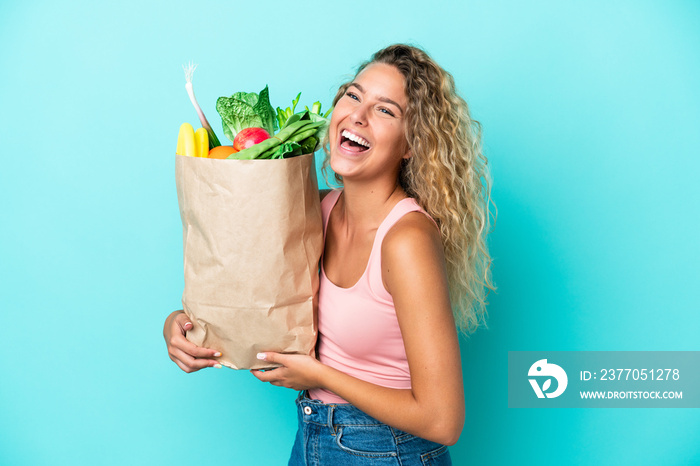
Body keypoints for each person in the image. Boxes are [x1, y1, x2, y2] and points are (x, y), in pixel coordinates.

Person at [163, 44, 495, 465]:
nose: (358, 115)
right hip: (313, 437)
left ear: (411, 145)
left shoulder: (406, 240)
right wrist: (180, 326)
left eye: (385, 110)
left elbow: (443, 420)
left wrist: (318, 375)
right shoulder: (312, 210)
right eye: (354, 95)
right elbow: (242, 291)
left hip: (389, 450)